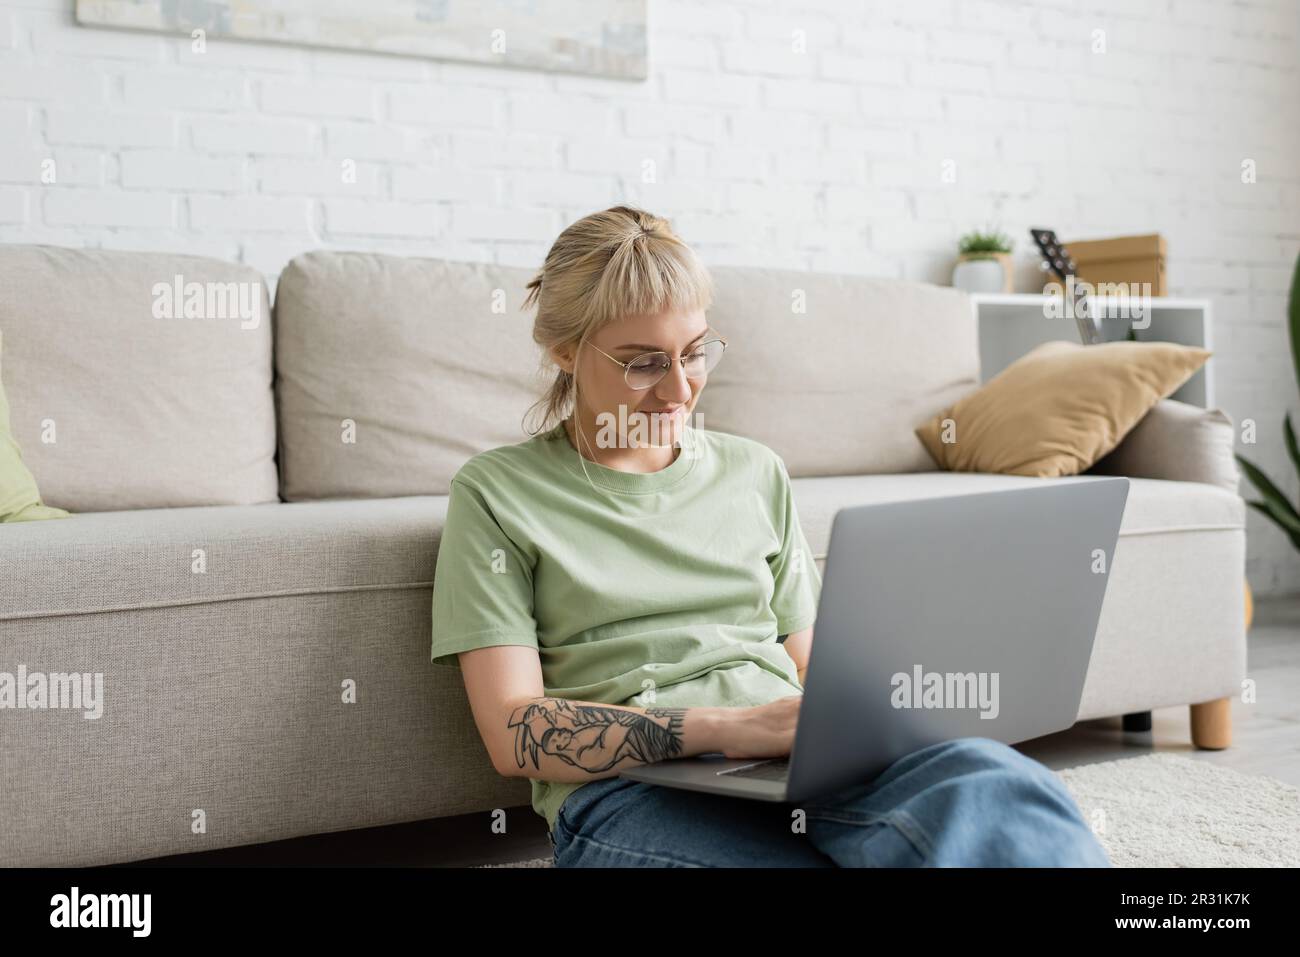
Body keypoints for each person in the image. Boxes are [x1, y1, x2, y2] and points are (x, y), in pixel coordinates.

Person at [429, 205, 1110, 868]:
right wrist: (725, 729)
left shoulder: (755, 471)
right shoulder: (497, 494)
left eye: (695, 354)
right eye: (643, 363)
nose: (679, 392)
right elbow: (515, 731)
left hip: (793, 755)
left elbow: (813, 663)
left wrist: (868, 717)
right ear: (564, 350)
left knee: (1003, 790)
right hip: (630, 789)